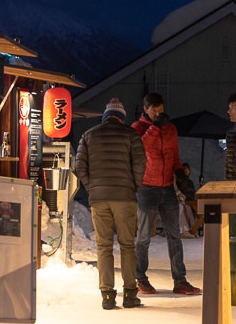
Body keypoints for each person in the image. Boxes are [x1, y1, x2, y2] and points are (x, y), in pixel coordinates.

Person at [74, 97, 146, 310]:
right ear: (121, 118)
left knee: (103, 246)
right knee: (127, 245)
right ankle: (130, 294)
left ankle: (107, 295)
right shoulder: (131, 135)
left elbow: (80, 167)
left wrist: (92, 187)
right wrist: (134, 186)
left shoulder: (88, 135)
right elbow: (140, 164)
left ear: (106, 117)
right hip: (125, 197)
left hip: (99, 199)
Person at [132, 92, 201, 295]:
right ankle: (140, 279)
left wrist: (179, 170)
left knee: (175, 236)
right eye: (154, 110)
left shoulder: (170, 128)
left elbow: (174, 154)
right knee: (143, 236)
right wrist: (155, 127)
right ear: (145, 109)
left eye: (160, 110)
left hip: (167, 188)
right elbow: (142, 147)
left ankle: (180, 280)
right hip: (146, 187)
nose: (157, 114)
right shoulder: (138, 128)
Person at [174, 162, 201, 237]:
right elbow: (177, 190)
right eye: (184, 169)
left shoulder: (190, 182)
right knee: (182, 207)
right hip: (178, 201)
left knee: (189, 208)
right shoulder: (178, 181)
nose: (186, 171)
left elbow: (192, 192)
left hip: (188, 200)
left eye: (187, 169)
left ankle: (192, 230)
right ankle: (183, 230)